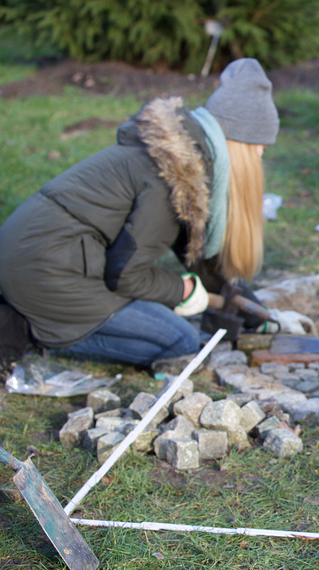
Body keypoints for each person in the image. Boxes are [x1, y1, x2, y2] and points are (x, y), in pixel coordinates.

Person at [0, 58, 280, 367]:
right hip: (44, 272)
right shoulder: (169, 179)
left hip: (35, 256)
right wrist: (182, 290)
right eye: (259, 146)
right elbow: (127, 276)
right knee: (180, 342)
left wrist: (250, 307)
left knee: (173, 329)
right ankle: (29, 329)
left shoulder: (182, 160)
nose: (262, 154)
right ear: (239, 143)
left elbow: (192, 248)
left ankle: (33, 315)